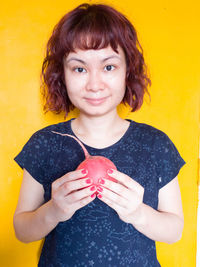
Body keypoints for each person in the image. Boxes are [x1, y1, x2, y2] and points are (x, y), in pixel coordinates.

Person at [13, 3, 185, 267]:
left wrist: (137, 213)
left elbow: (174, 231)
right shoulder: (45, 143)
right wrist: (54, 211)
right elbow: (22, 230)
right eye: (79, 69)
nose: (94, 84)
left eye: (108, 67)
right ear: (63, 75)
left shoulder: (156, 144)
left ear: (128, 70)